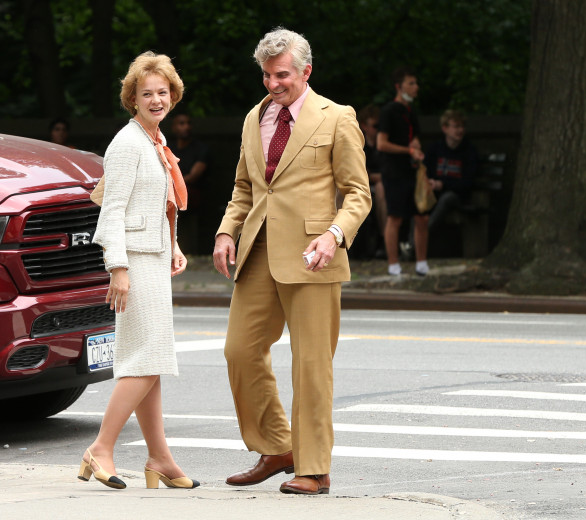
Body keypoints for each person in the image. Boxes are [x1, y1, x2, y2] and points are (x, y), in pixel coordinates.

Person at [213, 28, 371, 495]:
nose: (272, 84)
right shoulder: (254, 117)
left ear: (306, 71)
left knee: (311, 364)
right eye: (265, 75)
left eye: (281, 74)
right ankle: (278, 446)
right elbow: (245, 188)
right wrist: (226, 230)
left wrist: (334, 235)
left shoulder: (337, 117)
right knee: (239, 351)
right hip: (258, 250)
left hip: (313, 256)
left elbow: (358, 194)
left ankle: (314, 467)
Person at [82, 51, 199, 491]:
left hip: (151, 258)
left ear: (173, 95)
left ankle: (160, 458)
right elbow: (112, 210)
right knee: (145, 359)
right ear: (132, 98)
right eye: (146, 93)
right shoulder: (128, 143)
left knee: (152, 359)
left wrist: (174, 246)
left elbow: (154, 205)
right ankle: (101, 449)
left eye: (162, 92)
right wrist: (118, 268)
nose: (156, 100)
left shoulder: (155, 142)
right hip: (132, 262)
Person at [376, 66, 429, 276]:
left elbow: (415, 136)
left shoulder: (411, 111)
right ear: (399, 86)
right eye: (411, 83)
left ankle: (422, 263)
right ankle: (393, 265)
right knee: (395, 218)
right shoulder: (389, 111)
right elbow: (381, 143)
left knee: (422, 217)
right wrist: (408, 150)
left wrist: (416, 149)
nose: (416, 87)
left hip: (412, 171)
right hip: (394, 172)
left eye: (416, 83)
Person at [424, 109, 479, 230]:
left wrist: (443, 184)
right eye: (456, 126)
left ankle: (419, 239)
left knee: (447, 198)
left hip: (458, 196)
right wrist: (431, 182)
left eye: (462, 126)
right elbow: (425, 171)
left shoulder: (469, 151)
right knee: (419, 201)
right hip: (434, 193)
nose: (460, 130)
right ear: (445, 128)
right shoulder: (435, 149)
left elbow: (468, 182)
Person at [168, 112, 209, 254]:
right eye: (181, 123)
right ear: (174, 127)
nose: (186, 127)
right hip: (170, 193)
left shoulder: (200, 149)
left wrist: (173, 185)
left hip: (192, 194)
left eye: (188, 123)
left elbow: (194, 175)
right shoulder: (168, 148)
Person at [358, 103, 387, 257]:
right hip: (361, 187)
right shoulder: (358, 144)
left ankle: (384, 240)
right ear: (364, 126)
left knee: (382, 188)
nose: (379, 129)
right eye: (375, 126)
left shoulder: (384, 145)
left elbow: (388, 173)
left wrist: (371, 176)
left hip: (382, 188)